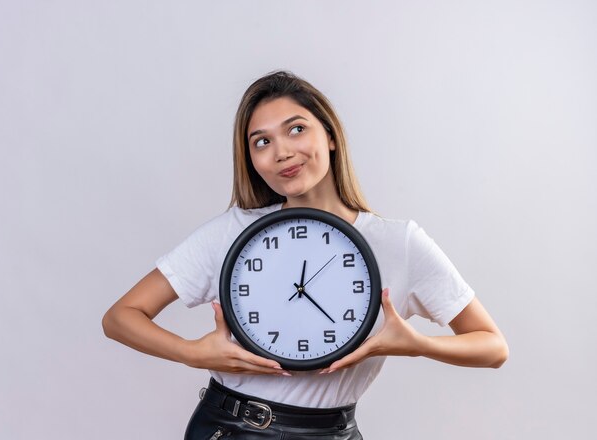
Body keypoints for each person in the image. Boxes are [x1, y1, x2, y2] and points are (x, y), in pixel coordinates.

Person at [102, 71, 509, 439]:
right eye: (262, 141)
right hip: (230, 428)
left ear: (330, 135)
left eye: (295, 129)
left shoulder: (399, 243)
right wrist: (191, 352)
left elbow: (492, 346)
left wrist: (416, 343)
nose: (281, 152)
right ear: (252, 159)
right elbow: (121, 317)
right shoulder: (231, 232)